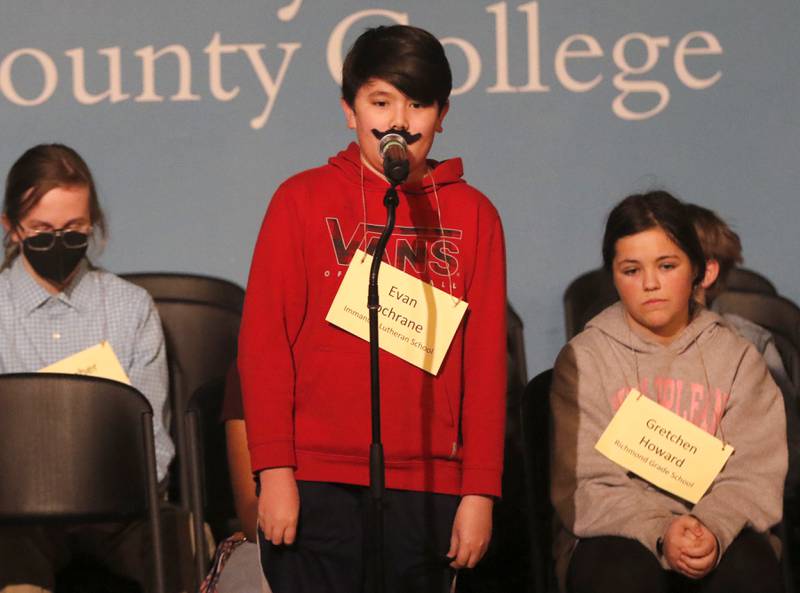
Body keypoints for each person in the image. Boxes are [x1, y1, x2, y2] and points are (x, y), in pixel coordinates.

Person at [238, 24, 507, 593]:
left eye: (418, 105)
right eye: (380, 102)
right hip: (317, 479)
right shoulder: (300, 200)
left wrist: (478, 490)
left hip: (428, 483)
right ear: (349, 110)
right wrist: (276, 471)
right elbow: (265, 345)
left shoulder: (474, 214)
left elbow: (483, 366)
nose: (399, 123)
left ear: (442, 114)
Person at [550, 191, 787, 593]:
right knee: (621, 575)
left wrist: (710, 528)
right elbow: (587, 484)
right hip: (617, 533)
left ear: (697, 269)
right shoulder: (585, 358)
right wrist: (661, 529)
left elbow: (753, 475)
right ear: (612, 275)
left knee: (749, 571)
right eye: (631, 270)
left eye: (667, 265)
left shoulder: (738, 358)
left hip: (720, 531)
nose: (651, 284)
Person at [0, 144, 177, 593]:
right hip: (15, 518)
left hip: (118, 513)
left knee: (175, 540)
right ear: (11, 228)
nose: (58, 243)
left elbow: (151, 437)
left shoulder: (130, 307)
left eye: (74, 229)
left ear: (93, 224)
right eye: (41, 230)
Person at [687, 202, 800, 502]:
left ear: (706, 272)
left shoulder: (749, 344)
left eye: (666, 264)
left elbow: (786, 455)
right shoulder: (621, 348)